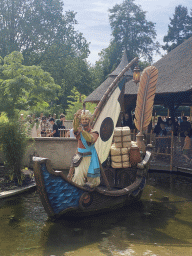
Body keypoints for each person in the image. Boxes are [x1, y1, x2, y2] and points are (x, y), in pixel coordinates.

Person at [69, 109, 100, 188]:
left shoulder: (94, 132)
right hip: (80, 159)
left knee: (93, 181)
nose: (84, 121)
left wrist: (82, 131)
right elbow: (75, 128)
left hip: (91, 158)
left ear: (89, 120)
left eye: (86, 119)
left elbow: (90, 139)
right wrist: (76, 117)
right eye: (83, 119)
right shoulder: (78, 132)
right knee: (77, 178)